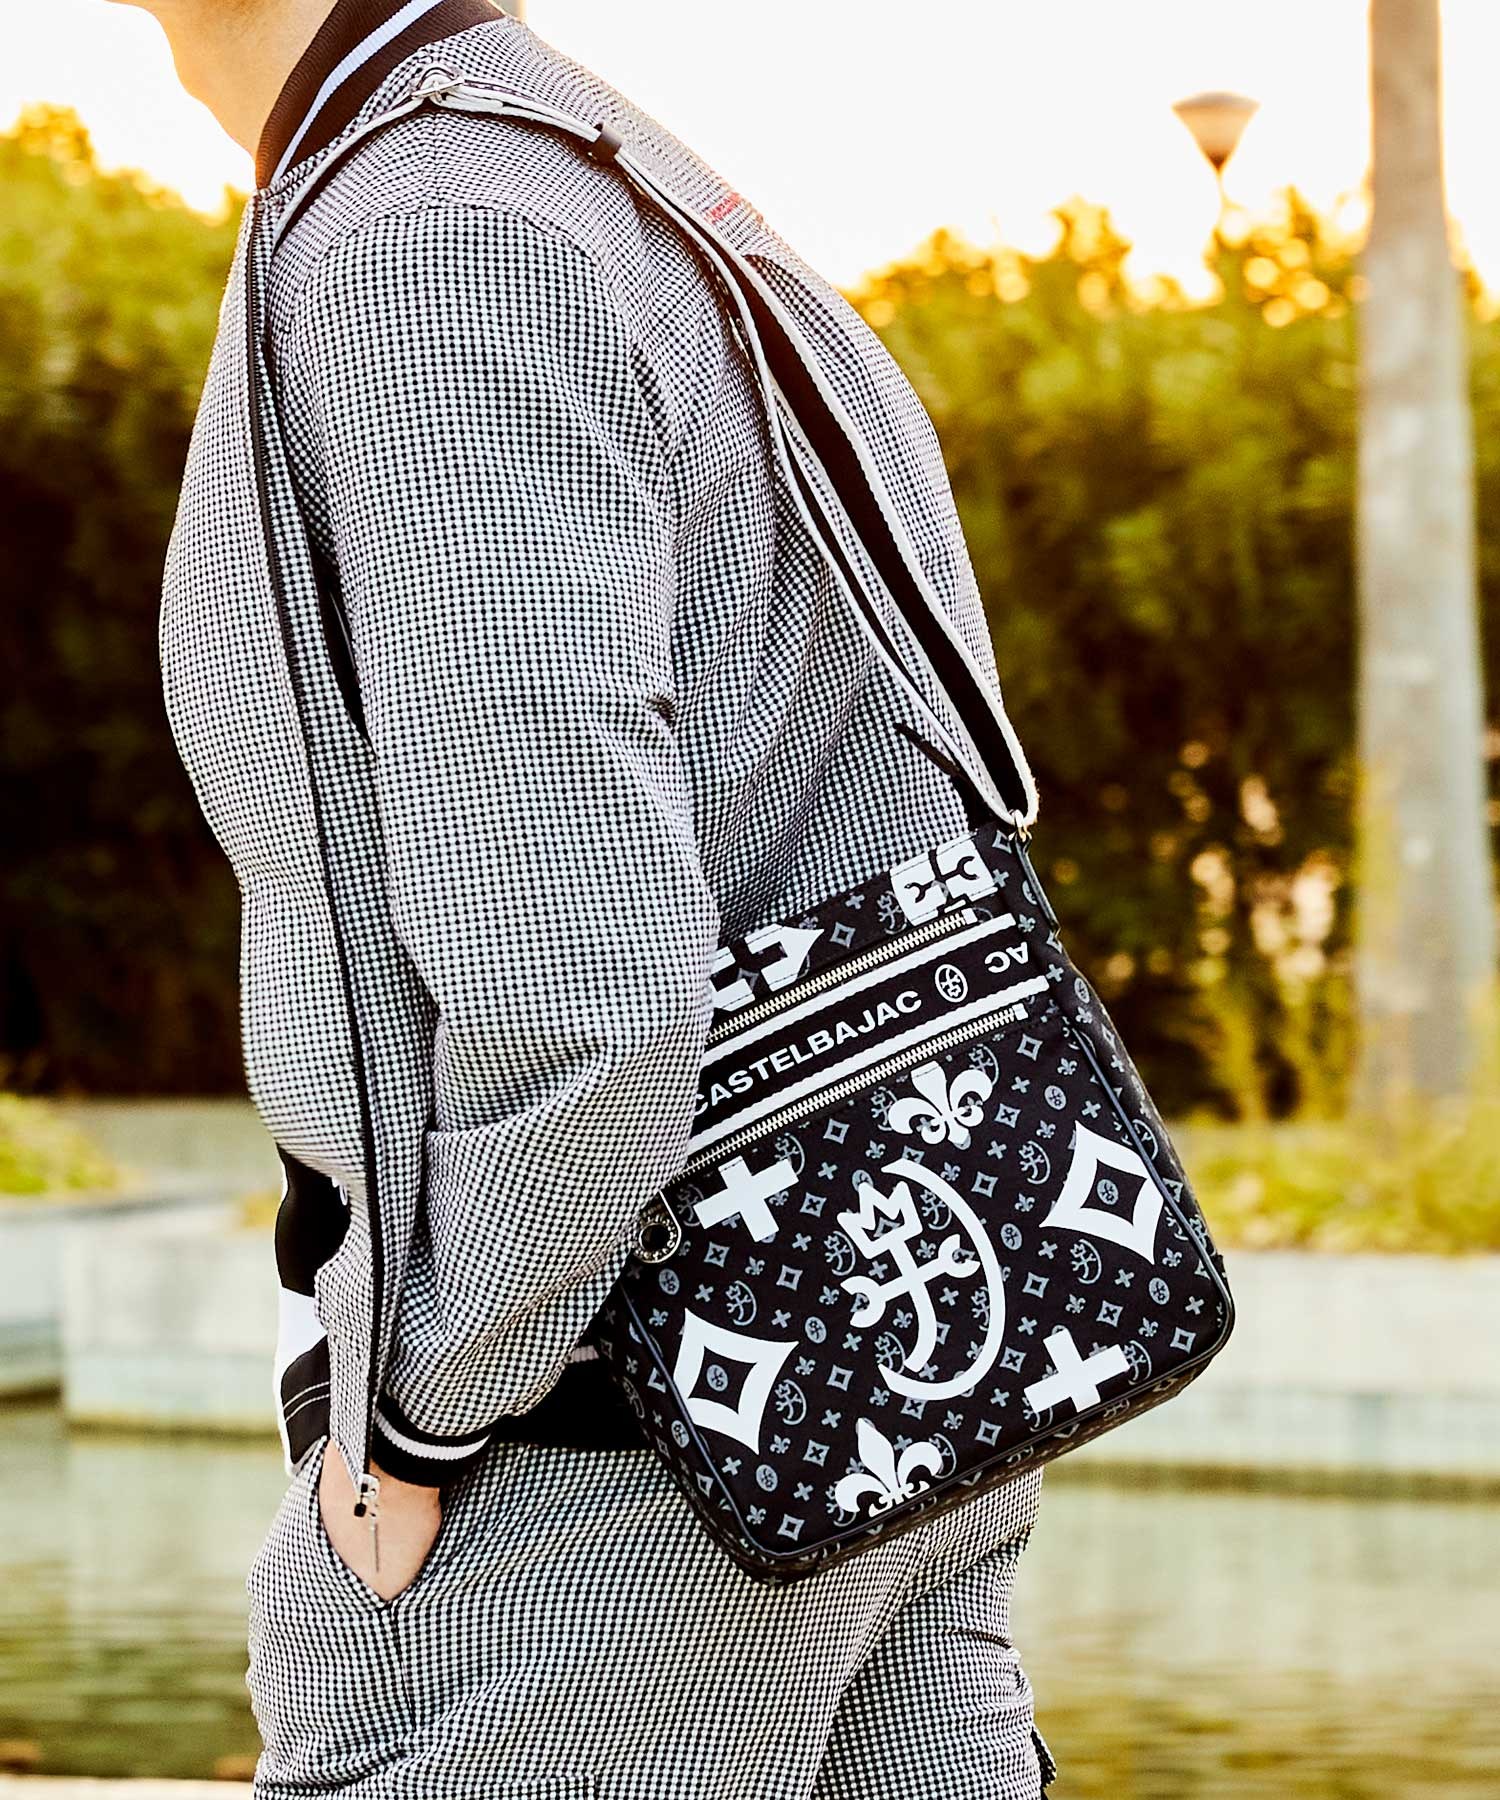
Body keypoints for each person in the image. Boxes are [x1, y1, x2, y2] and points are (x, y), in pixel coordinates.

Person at [119, 0, 1055, 1791]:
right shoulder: (607, 180)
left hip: (605, 1478)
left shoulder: (430, 241)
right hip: (874, 1389)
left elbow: (582, 985)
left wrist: (414, 1416)